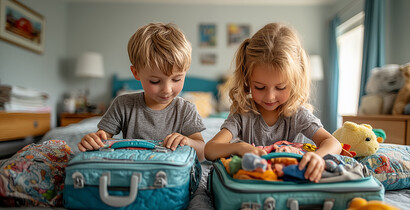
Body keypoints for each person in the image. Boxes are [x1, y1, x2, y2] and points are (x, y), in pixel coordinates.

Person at [204, 23, 342, 182]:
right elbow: (210, 150)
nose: (270, 97)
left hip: (289, 183)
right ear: (247, 81)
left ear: (295, 82)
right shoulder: (243, 114)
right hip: (255, 184)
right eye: (260, 87)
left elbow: (333, 143)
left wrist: (317, 157)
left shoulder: (297, 114)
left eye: (281, 87)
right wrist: (240, 147)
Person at [78, 22, 206, 161]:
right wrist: (93, 140)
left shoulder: (185, 110)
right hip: (134, 171)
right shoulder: (123, 104)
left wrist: (188, 142)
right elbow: (102, 139)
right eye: (155, 81)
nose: (167, 90)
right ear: (136, 72)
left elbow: (203, 153)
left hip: (171, 174)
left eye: (177, 79)